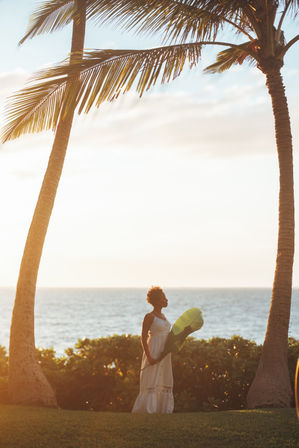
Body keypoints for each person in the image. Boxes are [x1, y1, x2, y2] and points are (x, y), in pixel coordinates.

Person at [132, 286, 174, 414]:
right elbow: (143, 337)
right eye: (163, 298)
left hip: (165, 352)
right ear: (157, 300)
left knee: (164, 379)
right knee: (152, 379)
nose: (166, 300)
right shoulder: (149, 317)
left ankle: (162, 409)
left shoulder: (163, 316)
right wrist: (149, 356)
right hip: (154, 350)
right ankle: (148, 409)